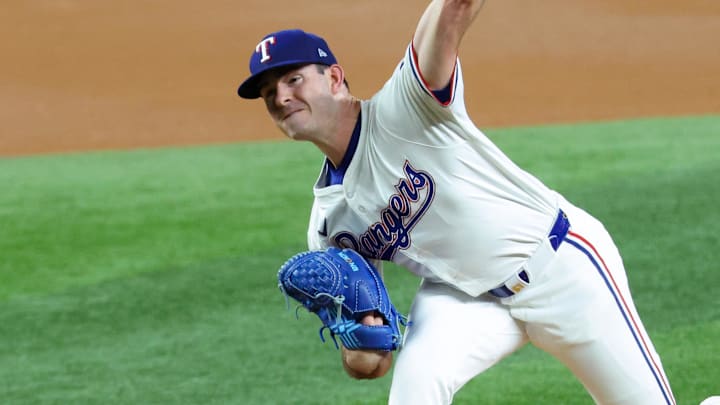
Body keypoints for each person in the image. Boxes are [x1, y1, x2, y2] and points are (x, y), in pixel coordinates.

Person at [236, 1, 676, 404]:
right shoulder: (329, 225)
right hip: (467, 298)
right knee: (414, 391)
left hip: (560, 268)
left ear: (334, 77)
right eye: (269, 92)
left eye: (293, 79)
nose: (281, 97)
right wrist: (356, 331)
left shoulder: (407, 105)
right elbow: (372, 365)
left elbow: (456, 8)